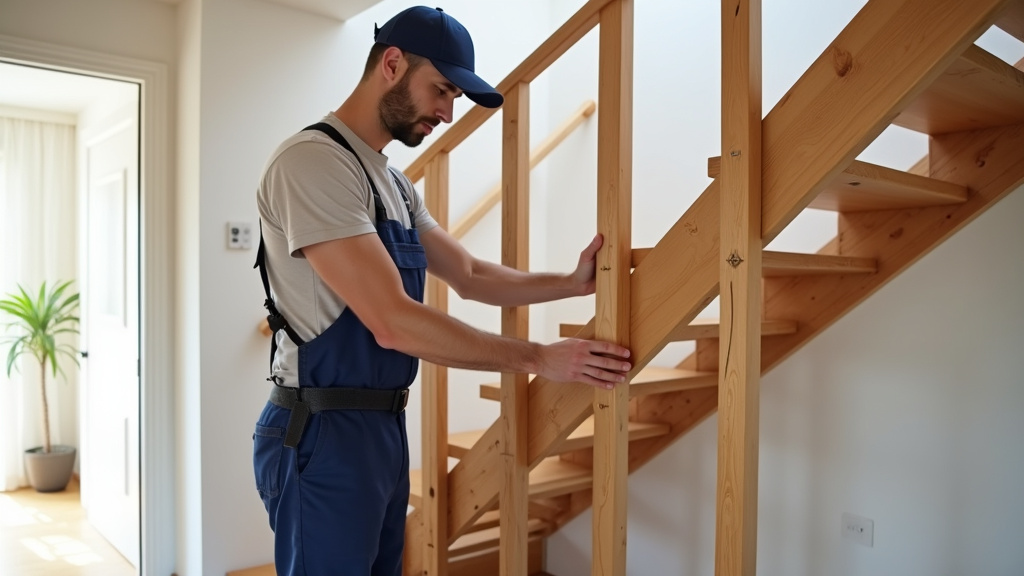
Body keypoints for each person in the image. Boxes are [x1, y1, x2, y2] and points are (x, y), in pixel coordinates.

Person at [251, 6, 631, 576]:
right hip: (322, 431)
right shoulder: (313, 163)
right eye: (442, 90)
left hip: (382, 428)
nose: (448, 112)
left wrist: (570, 285)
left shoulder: (396, 184)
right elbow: (392, 321)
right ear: (393, 63)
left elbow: (471, 275)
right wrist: (537, 358)